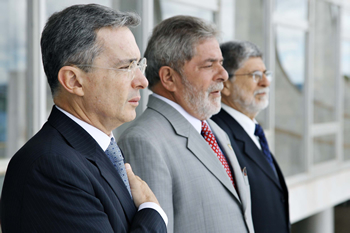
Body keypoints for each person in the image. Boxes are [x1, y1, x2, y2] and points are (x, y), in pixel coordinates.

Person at [0, 4, 167, 233]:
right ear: (74, 81)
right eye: (126, 66)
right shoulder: (50, 167)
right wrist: (152, 212)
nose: (142, 81)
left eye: (138, 64)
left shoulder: (95, 150)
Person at [118, 16, 254, 233]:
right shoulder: (143, 142)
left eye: (221, 64)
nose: (224, 75)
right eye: (209, 65)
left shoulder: (213, 129)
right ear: (169, 78)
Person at [211, 41, 290, 233]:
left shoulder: (252, 130)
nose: (266, 82)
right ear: (226, 85)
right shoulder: (217, 137)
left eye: (266, 74)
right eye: (255, 75)